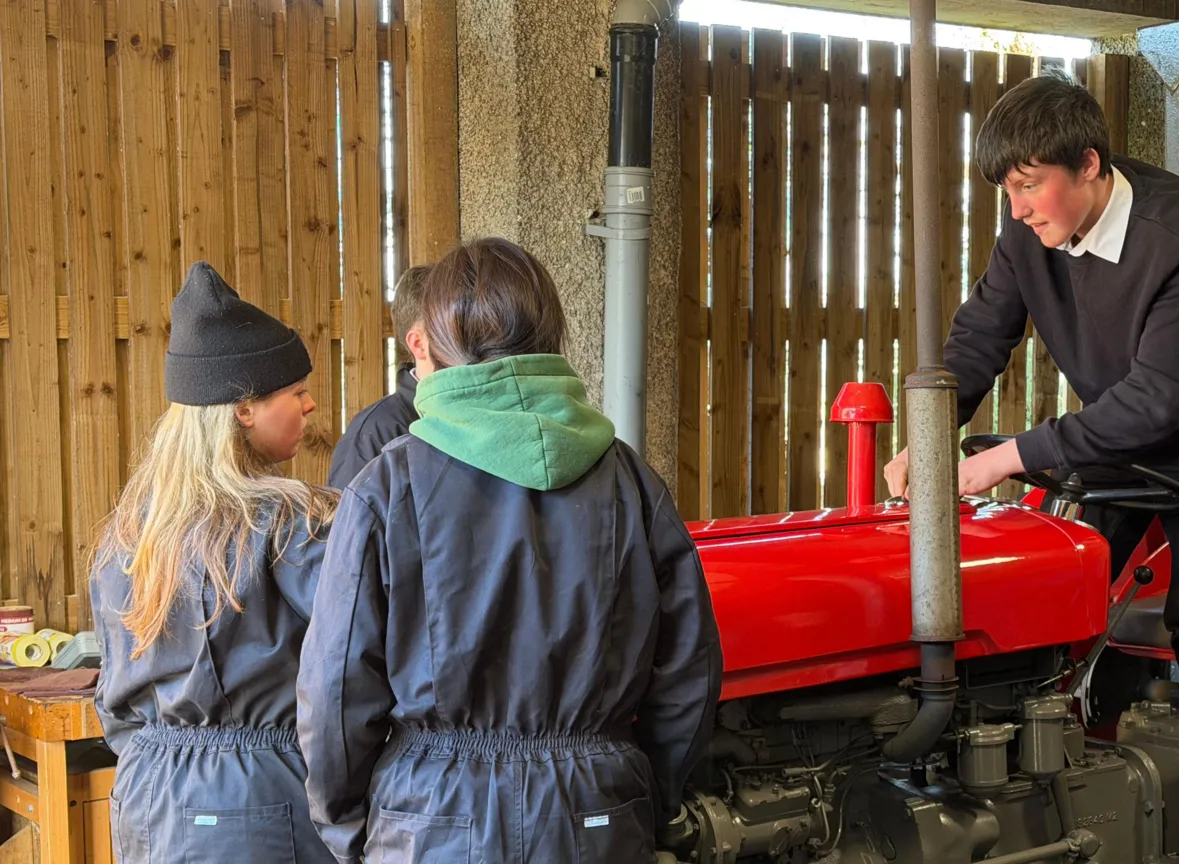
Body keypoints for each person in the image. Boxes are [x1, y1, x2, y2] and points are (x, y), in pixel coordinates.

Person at [884, 72, 1179, 864]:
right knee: (1061, 602)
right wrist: (930, 438)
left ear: (1090, 166)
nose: (1019, 207)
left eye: (1030, 186)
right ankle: (1057, 782)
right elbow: (978, 339)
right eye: (1007, 190)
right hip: (1113, 426)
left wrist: (1009, 457)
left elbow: (1160, 403)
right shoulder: (1027, 235)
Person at [296, 237, 723, 863]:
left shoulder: (386, 488)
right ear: (550, 335)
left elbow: (335, 691)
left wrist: (353, 830)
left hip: (432, 821)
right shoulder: (632, 482)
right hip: (598, 813)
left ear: (432, 344)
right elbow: (689, 671)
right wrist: (638, 794)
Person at [91, 262, 338, 863]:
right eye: (295, 391)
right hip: (260, 796)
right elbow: (352, 659)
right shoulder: (291, 522)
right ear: (244, 409)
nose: (310, 405)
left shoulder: (127, 532)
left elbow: (113, 700)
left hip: (148, 796)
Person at [327, 264, 433, 488]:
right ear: (419, 343)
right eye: (456, 326)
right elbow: (346, 521)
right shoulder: (371, 435)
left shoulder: (477, 415)